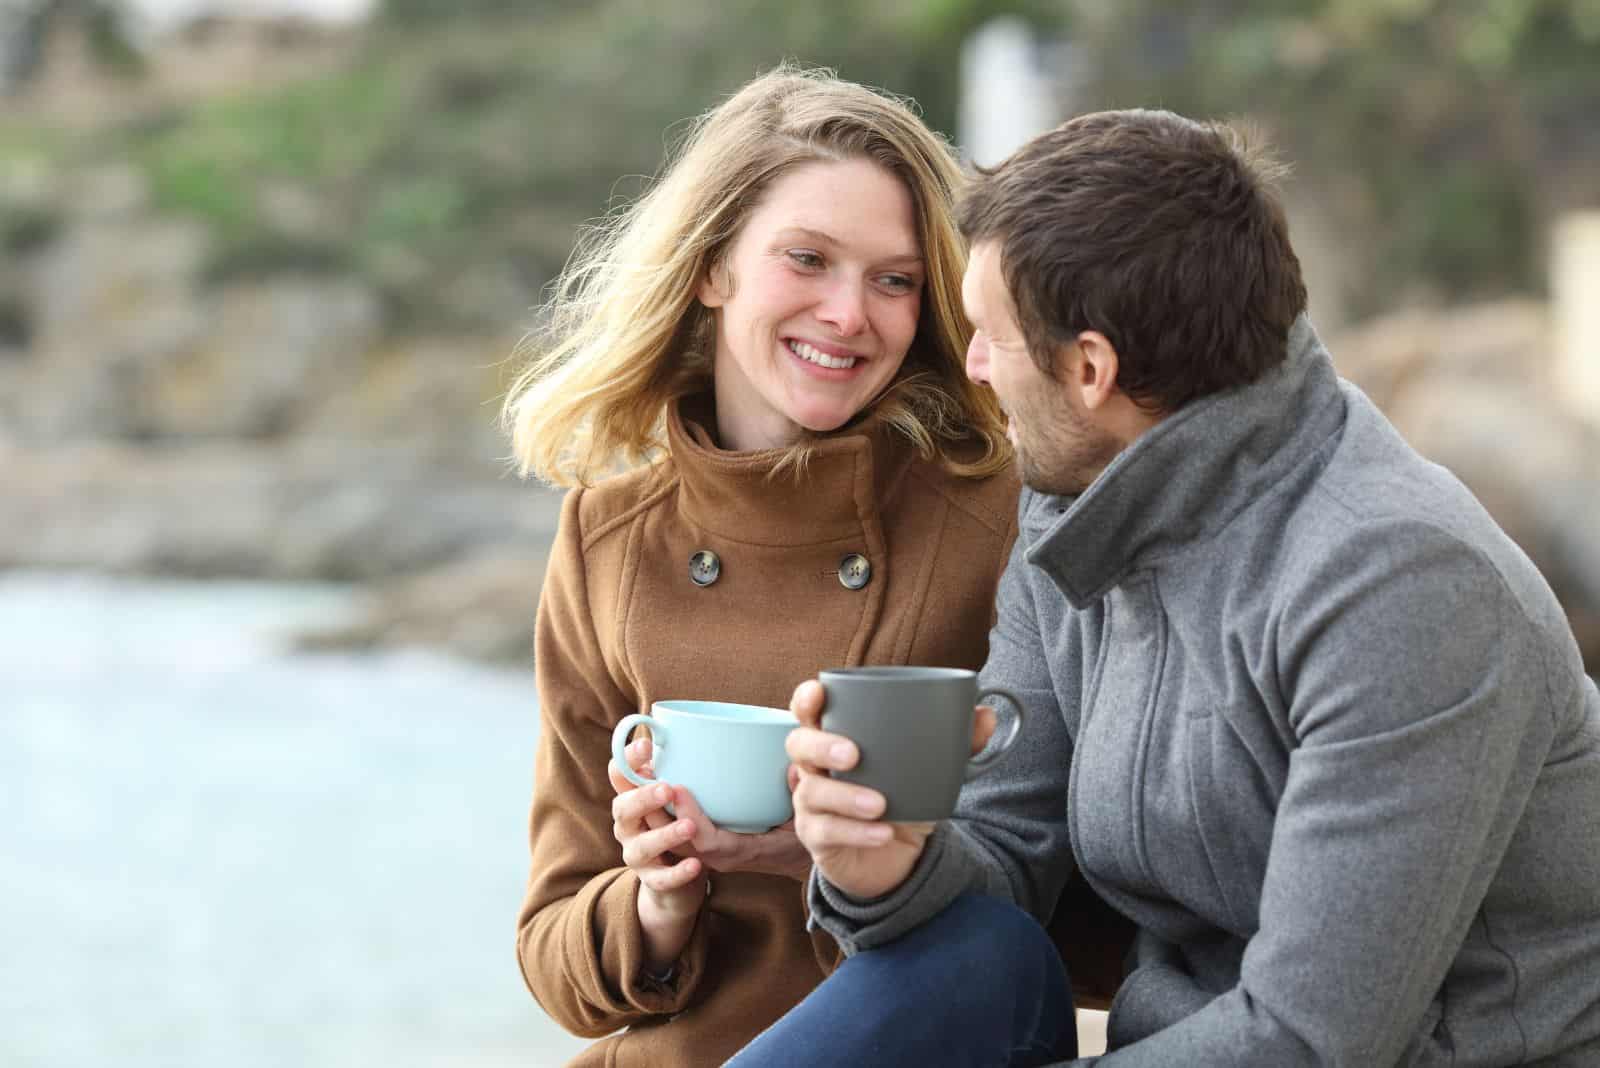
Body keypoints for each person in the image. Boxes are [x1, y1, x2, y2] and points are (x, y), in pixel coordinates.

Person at [736, 109, 1600, 1066]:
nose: (972, 368)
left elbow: (1312, 1041)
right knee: (978, 951)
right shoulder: (1075, 514)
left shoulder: (1403, 591)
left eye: (990, 337)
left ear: (1091, 369)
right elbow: (1002, 863)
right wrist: (885, 865)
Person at [502, 66, 1030, 1067]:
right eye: (807, 259)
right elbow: (553, 953)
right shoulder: (608, 537)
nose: (847, 314)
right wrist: (658, 899)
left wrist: (853, 866)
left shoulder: (995, 522)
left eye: (894, 279)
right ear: (712, 267)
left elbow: (1082, 920)